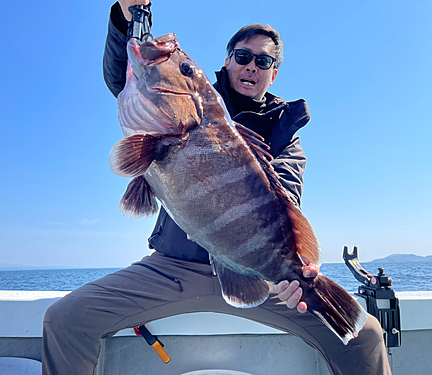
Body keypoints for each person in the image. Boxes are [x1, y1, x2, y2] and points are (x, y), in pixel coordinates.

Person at [42, 1, 391, 374]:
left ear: (273, 74)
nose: (251, 66)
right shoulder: (196, 102)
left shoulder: (287, 134)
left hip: (258, 274)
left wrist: (297, 275)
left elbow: (287, 201)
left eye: (264, 61)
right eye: (243, 56)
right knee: (65, 319)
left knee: (365, 335)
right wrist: (125, 16)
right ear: (227, 61)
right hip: (173, 267)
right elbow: (126, 76)